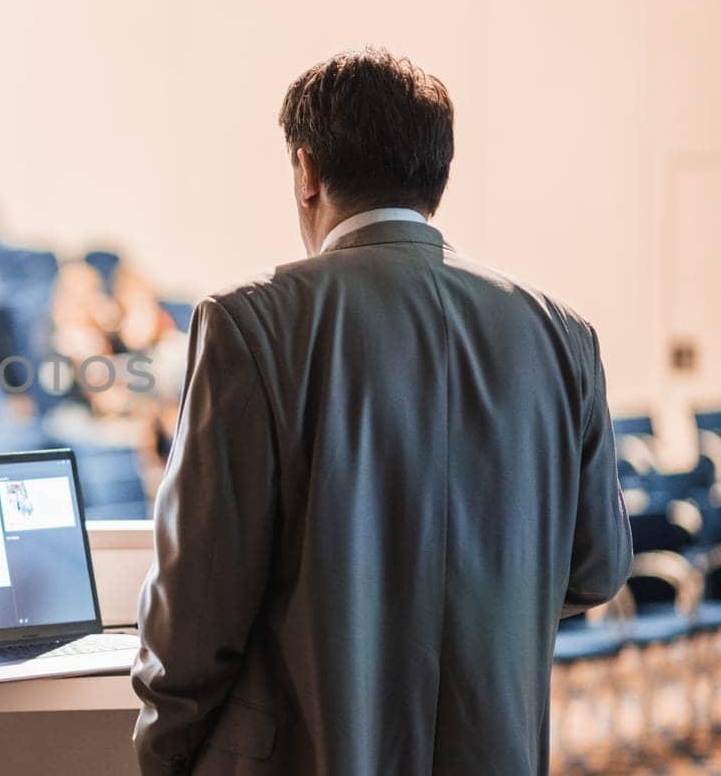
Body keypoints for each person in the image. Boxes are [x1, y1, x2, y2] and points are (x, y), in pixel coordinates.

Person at [131, 49, 631, 775]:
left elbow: (197, 613)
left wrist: (162, 750)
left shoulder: (250, 324)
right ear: (436, 174)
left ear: (306, 171)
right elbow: (597, 567)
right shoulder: (561, 333)